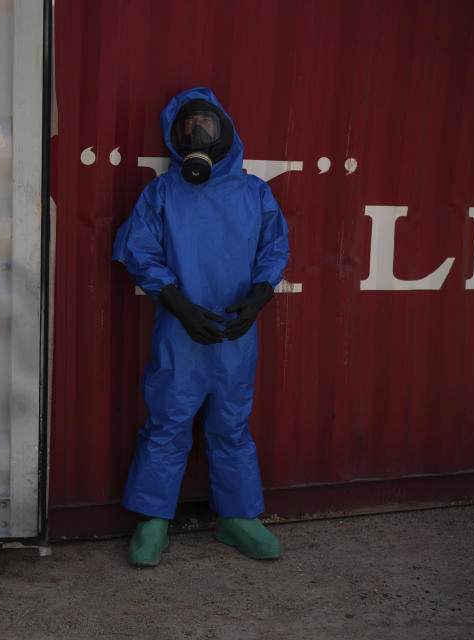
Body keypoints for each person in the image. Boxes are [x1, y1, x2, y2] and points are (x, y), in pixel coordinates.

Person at [112, 87, 290, 566]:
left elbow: (274, 249)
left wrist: (257, 299)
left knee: (231, 425)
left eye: (207, 124)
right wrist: (178, 304)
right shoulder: (164, 191)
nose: (199, 133)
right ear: (175, 136)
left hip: (236, 332)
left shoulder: (255, 192)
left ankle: (239, 517)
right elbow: (140, 251)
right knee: (167, 421)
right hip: (179, 331)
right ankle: (153, 520)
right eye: (188, 126)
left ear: (225, 129)